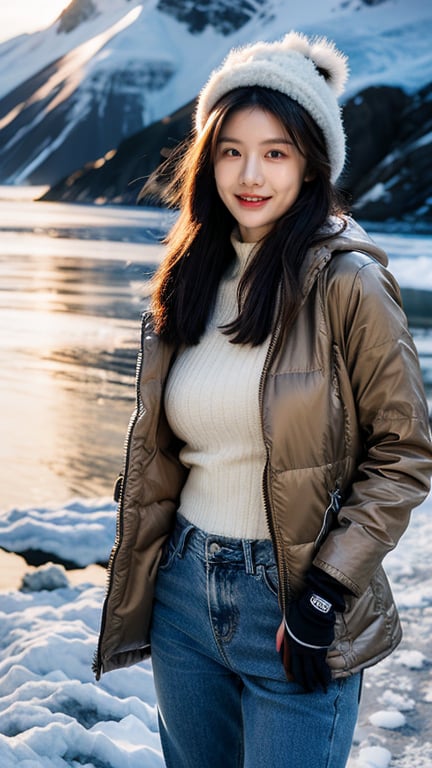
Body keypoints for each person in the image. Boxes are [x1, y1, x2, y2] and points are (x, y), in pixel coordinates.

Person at [94, 32, 432, 768]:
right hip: (184, 595)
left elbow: (405, 454)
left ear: (311, 163)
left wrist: (324, 593)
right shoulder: (188, 276)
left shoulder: (350, 283)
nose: (250, 174)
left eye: (275, 152)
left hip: (295, 601)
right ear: (207, 156)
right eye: (231, 150)